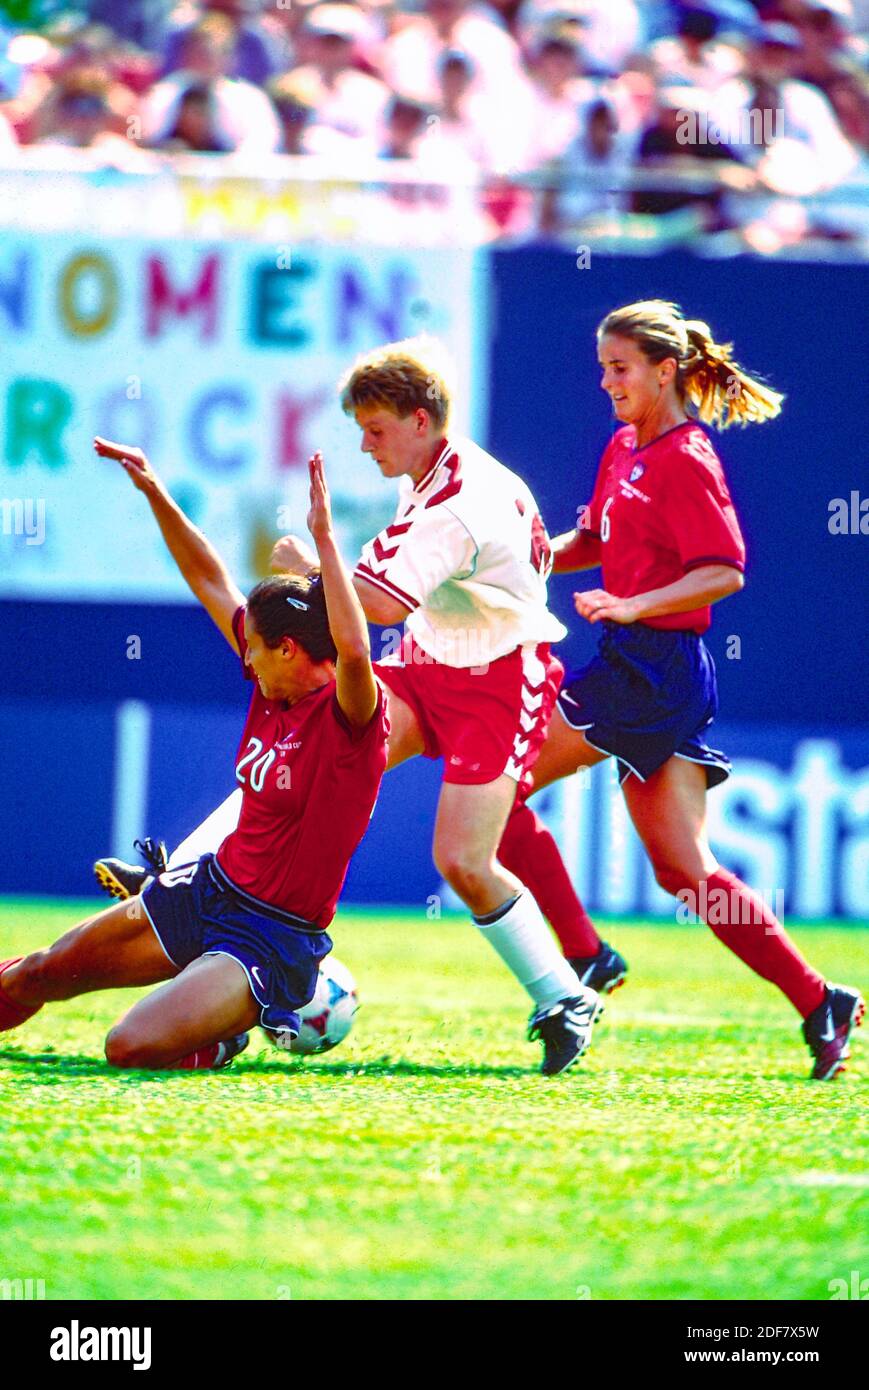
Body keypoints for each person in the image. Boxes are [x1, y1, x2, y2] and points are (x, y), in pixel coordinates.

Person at [93, 338, 603, 1076]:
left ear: (421, 418)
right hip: (432, 660)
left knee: (462, 861)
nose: (364, 445)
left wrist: (309, 567)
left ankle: (563, 995)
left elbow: (367, 608)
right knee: (300, 748)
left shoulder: (455, 505)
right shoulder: (439, 471)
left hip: (499, 680)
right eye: (361, 428)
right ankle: (183, 874)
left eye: (375, 428)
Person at [502, 299, 864, 1081]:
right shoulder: (623, 447)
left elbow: (724, 569)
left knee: (492, 793)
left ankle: (584, 957)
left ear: (664, 371)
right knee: (684, 872)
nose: (606, 383)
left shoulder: (687, 457)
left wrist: (631, 604)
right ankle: (818, 1000)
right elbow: (594, 541)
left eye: (619, 368)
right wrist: (523, 557)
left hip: (651, 669)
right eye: (602, 368)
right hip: (642, 666)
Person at [0, 445, 388, 1070]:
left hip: (269, 937)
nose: (245, 658)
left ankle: (224, 1032)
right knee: (39, 973)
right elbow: (210, 578)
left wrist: (325, 542)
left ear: (289, 649)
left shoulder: (351, 719)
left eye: (256, 649)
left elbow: (354, 651)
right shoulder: (271, 685)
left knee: (127, 1046)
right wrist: (155, 492)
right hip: (207, 888)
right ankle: (208, 1019)